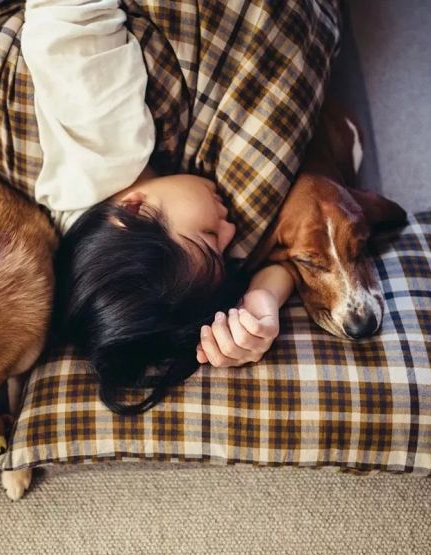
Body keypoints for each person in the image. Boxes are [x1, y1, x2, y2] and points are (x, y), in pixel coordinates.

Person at [22, 0, 295, 414]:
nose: (232, 232)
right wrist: (262, 303)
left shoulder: (99, 133)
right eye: (222, 248)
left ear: (133, 210)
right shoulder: (126, 260)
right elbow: (278, 260)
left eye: (209, 235)